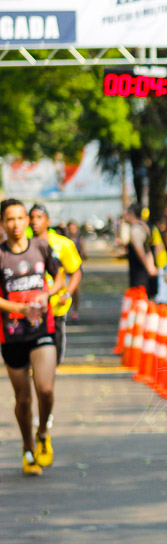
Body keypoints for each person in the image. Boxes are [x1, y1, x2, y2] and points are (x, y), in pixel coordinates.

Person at [0, 199, 65, 475]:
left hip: (42, 330)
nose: (16, 224)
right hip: (12, 336)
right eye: (9, 219)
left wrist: (47, 294)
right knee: (23, 399)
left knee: (46, 388)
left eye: (20, 218)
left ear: (28, 220)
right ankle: (28, 448)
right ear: (3, 224)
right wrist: (19, 309)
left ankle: (43, 432)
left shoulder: (41, 247)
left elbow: (60, 276)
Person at [28, 205, 82, 368]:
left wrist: (68, 294)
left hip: (56, 305)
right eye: (32, 217)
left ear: (48, 221)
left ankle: (51, 371)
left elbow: (76, 272)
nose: (35, 222)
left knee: (55, 348)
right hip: (32, 306)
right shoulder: (24, 243)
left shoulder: (62, 244)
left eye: (39, 217)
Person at [123, 203, 158, 298]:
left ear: (131, 214)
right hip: (146, 269)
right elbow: (148, 249)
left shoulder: (135, 230)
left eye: (125, 214)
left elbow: (140, 252)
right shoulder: (145, 226)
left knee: (140, 299)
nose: (124, 217)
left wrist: (148, 267)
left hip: (139, 272)